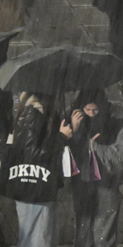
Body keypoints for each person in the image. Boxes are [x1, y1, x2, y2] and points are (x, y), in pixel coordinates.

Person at [63, 89, 123, 247]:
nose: (92, 114)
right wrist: (74, 130)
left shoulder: (115, 119)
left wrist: (97, 149)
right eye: (87, 110)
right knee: (83, 230)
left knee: (104, 233)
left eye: (95, 110)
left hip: (107, 182)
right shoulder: (72, 117)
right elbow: (65, 151)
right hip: (82, 182)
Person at [6, 93, 63, 247]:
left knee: (33, 236)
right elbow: (34, 154)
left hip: (30, 185)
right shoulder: (34, 113)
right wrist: (62, 137)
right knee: (38, 238)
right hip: (35, 187)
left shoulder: (27, 112)